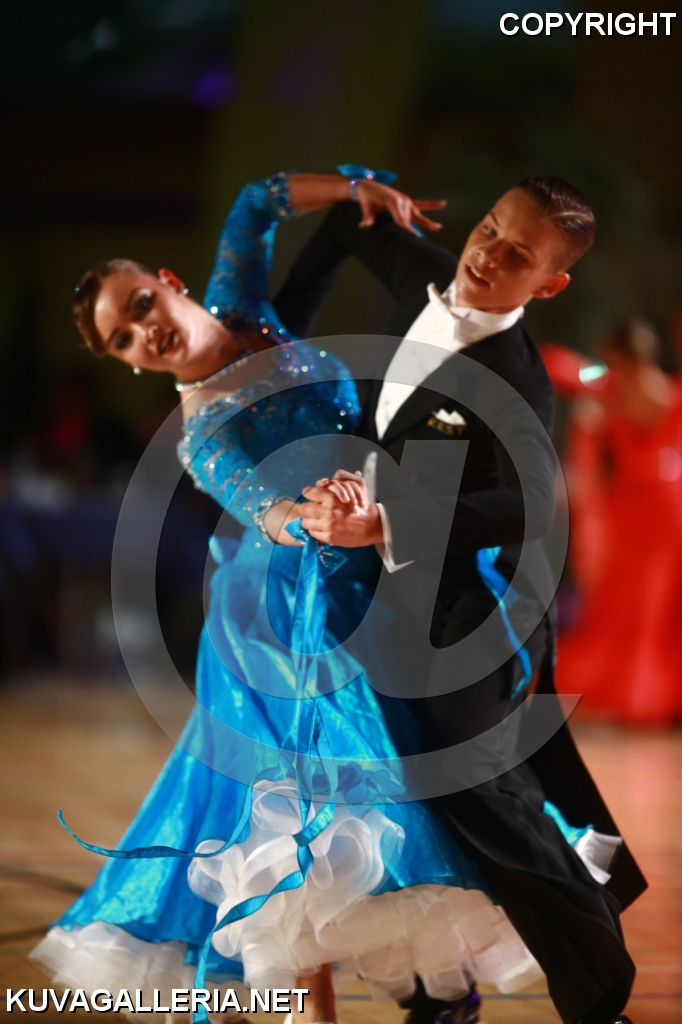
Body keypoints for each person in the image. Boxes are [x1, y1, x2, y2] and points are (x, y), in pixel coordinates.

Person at [31, 170, 562, 1024]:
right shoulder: (202, 431)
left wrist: (360, 190)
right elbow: (262, 507)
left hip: (374, 560)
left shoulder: (244, 304)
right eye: (124, 339)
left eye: (138, 304)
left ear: (167, 282)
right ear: (128, 362)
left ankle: (439, 991)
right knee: (296, 810)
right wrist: (314, 516)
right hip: (285, 612)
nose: (143, 330)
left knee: (402, 781)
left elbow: (257, 200)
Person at [270, 173, 647, 1024]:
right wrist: (281, 340)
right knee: (385, 791)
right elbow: (346, 229)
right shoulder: (432, 273)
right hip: (398, 594)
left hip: (479, 609)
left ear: (548, 284)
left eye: (518, 255)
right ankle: (440, 993)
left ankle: (600, 1001)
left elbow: (532, 505)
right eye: (489, 230)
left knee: (471, 785)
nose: (488, 255)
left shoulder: (517, 382)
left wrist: (385, 521)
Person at [548, 321, 682, 724]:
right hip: (641, 522)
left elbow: (561, 366)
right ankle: (642, 696)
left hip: (657, 524)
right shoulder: (630, 393)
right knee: (629, 614)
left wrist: (593, 375)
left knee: (648, 613)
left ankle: (646, 697)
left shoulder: (616, 391)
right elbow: (558, 365)